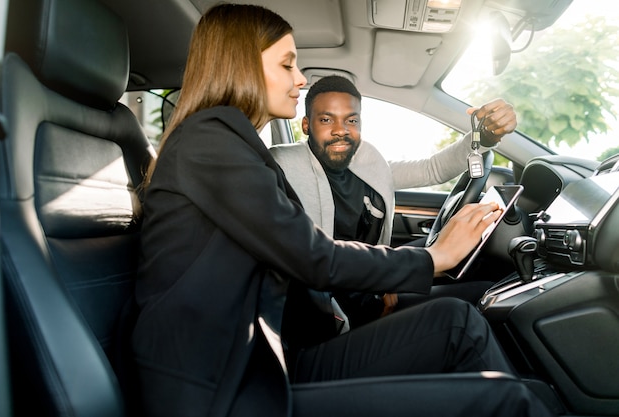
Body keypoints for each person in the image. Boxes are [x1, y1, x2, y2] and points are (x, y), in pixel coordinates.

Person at [131, 3, 556, 417]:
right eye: (287, 65)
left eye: (351, 120)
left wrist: (479, 140)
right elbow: (314, 255)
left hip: (271, 357)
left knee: (457, 322)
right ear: (240, 65)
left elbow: (427, 170)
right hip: (222, 388)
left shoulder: (233, 146)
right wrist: (435, 256)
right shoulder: (210, 144)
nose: (299, 79)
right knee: (507, 399)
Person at [270, 75, 517, 327]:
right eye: (326, 119)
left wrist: (483, 138)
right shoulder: (282, 171)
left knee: (484, 281)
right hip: (333, 309)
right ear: (306, 125)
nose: (340, 130)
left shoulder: (366, 165)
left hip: (372, 281)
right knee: (477, 301)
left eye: (351, 120)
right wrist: (386, 278)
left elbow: (432, 169)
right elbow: (317, 262)